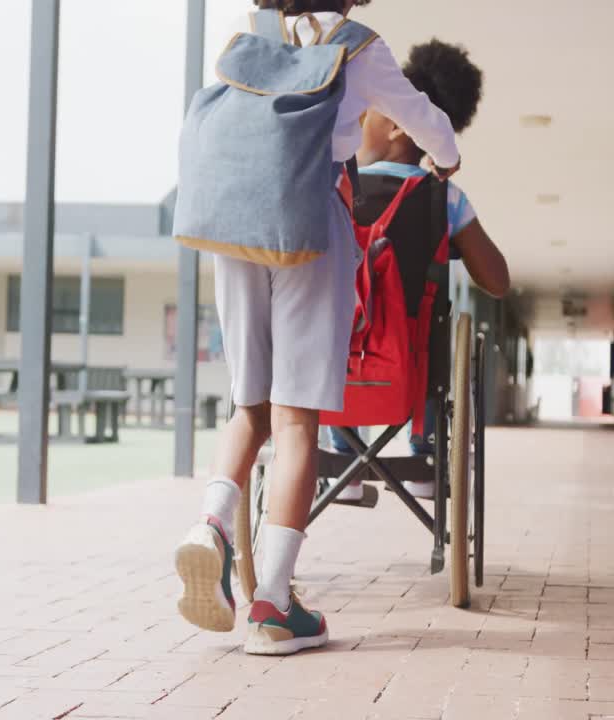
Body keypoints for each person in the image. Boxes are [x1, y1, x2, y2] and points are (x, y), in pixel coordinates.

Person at [174, 0, 463, 657]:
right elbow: (420, 117)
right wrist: (445, 157)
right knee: (298, 417)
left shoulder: (250, 32)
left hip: (233, 223)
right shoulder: (358, 46)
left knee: (250, 405)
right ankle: (274, 607)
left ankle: (213, 526)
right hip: (309, 223)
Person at [331, 38, 510, 501]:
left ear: (393, 123)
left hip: (334, 361)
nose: (359, 121)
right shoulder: (443, 198)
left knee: (334, 318)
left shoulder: (334, 188)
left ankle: (342, 458)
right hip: (409, 369)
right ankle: (424, 450)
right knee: (427, 328)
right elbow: (497, 281)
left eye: (366, 112)